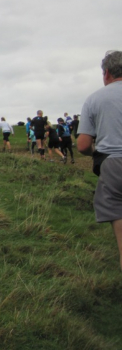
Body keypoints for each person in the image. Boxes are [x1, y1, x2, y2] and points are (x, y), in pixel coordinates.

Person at [77, 50, 122, 270]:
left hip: (114, 165)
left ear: (106, 73)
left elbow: (83, 145)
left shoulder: (94, 99)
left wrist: (96, 155)